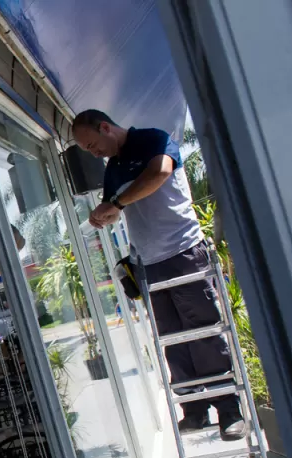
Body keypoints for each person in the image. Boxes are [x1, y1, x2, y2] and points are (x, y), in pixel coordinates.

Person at [72, 109, 247, 440]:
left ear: (106, 127)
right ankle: (194, 410)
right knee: (172, 340)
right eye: (88, 151)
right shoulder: (112, 171)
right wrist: (103, 216)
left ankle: (228, 410)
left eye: (93, 145)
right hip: (148, 263)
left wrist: (118, 203)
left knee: (204, 332)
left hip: (183, 252)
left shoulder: (153, 139)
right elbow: (117, 207)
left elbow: (160, 172)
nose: (94, 153)